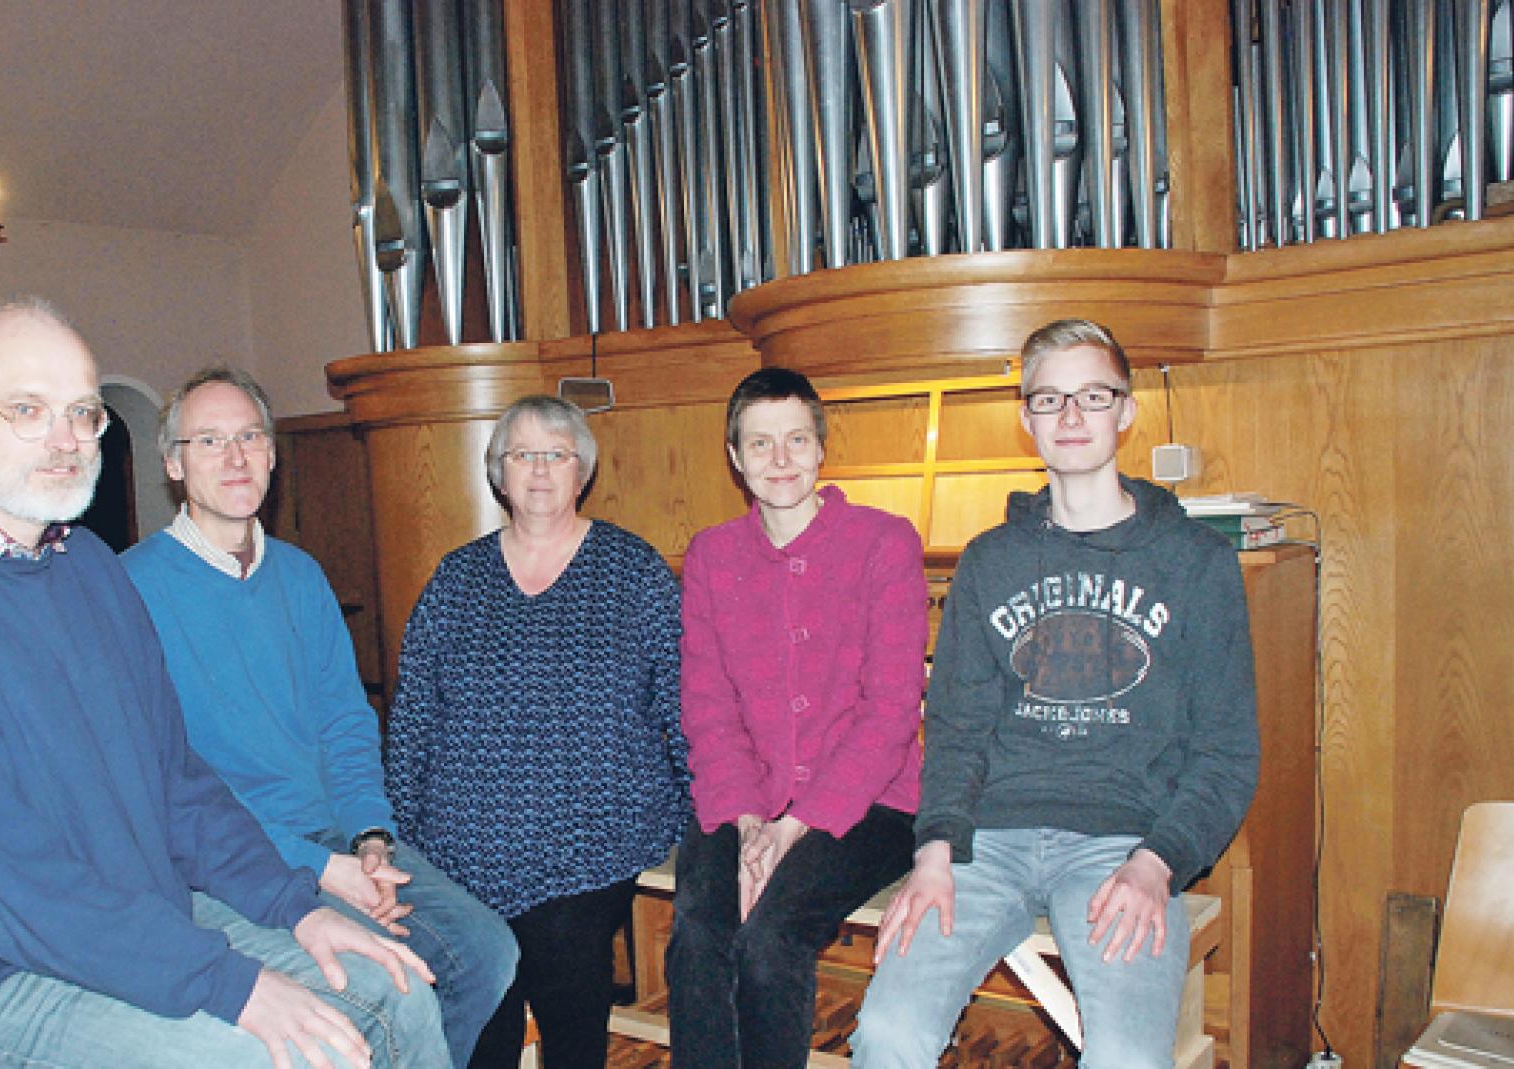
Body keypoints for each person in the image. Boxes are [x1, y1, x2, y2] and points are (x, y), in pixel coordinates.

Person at [0, 298, 445, 1069]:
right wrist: (229, 984)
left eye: (83, 412)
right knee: (266, 1054)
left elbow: (177, 785)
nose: (65, 440)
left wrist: (295, 905)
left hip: (139, 919)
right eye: (27, 409)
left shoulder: (90, 568)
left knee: (395, 988)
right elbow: (11, 883)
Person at [851, 318, 1261, 1068]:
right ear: (1027, 418)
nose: (1071, 415)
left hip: (1123, 844)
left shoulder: (1197, 562)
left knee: (1129, 1059)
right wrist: (934, 851)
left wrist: (1159, 862)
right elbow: (957, 727)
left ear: (1126, 411)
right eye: (1050, 399)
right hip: (986, 841)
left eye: (1093, 395)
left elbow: (1226, 753)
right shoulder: (989, 560)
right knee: (888, 1034)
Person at [122, 365, 519, 1068]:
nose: (235, 456)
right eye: (209, 441)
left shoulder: (301, 574)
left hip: (336, 836)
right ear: (174, 464)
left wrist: (371, 837)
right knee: (389, 986)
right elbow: (161, 789)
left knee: (487, 953)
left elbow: (345, 722)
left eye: (250, 436)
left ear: (273, 454)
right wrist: (322, 869)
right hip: (231, 861)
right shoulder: (130, 589)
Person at [385, 395, 690, 1069]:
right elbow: (412, 720)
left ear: (584, 470)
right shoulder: (456, 578)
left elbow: (684, 704)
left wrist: (702, 817)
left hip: (594, 836)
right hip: (459, 845)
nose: (541, 469)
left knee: (565, 965)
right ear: (499, 472)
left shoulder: (633, 571)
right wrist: (397, 837)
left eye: (558, 453)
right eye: (524, 454)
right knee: (482, 1003)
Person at [666, 367, 929, 1069]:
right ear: (734, 456)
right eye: (760, 443)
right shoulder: (712, 554)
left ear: (821, 448)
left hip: (872, 802)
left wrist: (797, 824)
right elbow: (708, 706)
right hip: (745, 793)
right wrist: (748, 816)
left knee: (772, 936)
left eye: (796, 440)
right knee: (698, 931)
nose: (780, 459)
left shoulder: (884, 540)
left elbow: (891, 710)